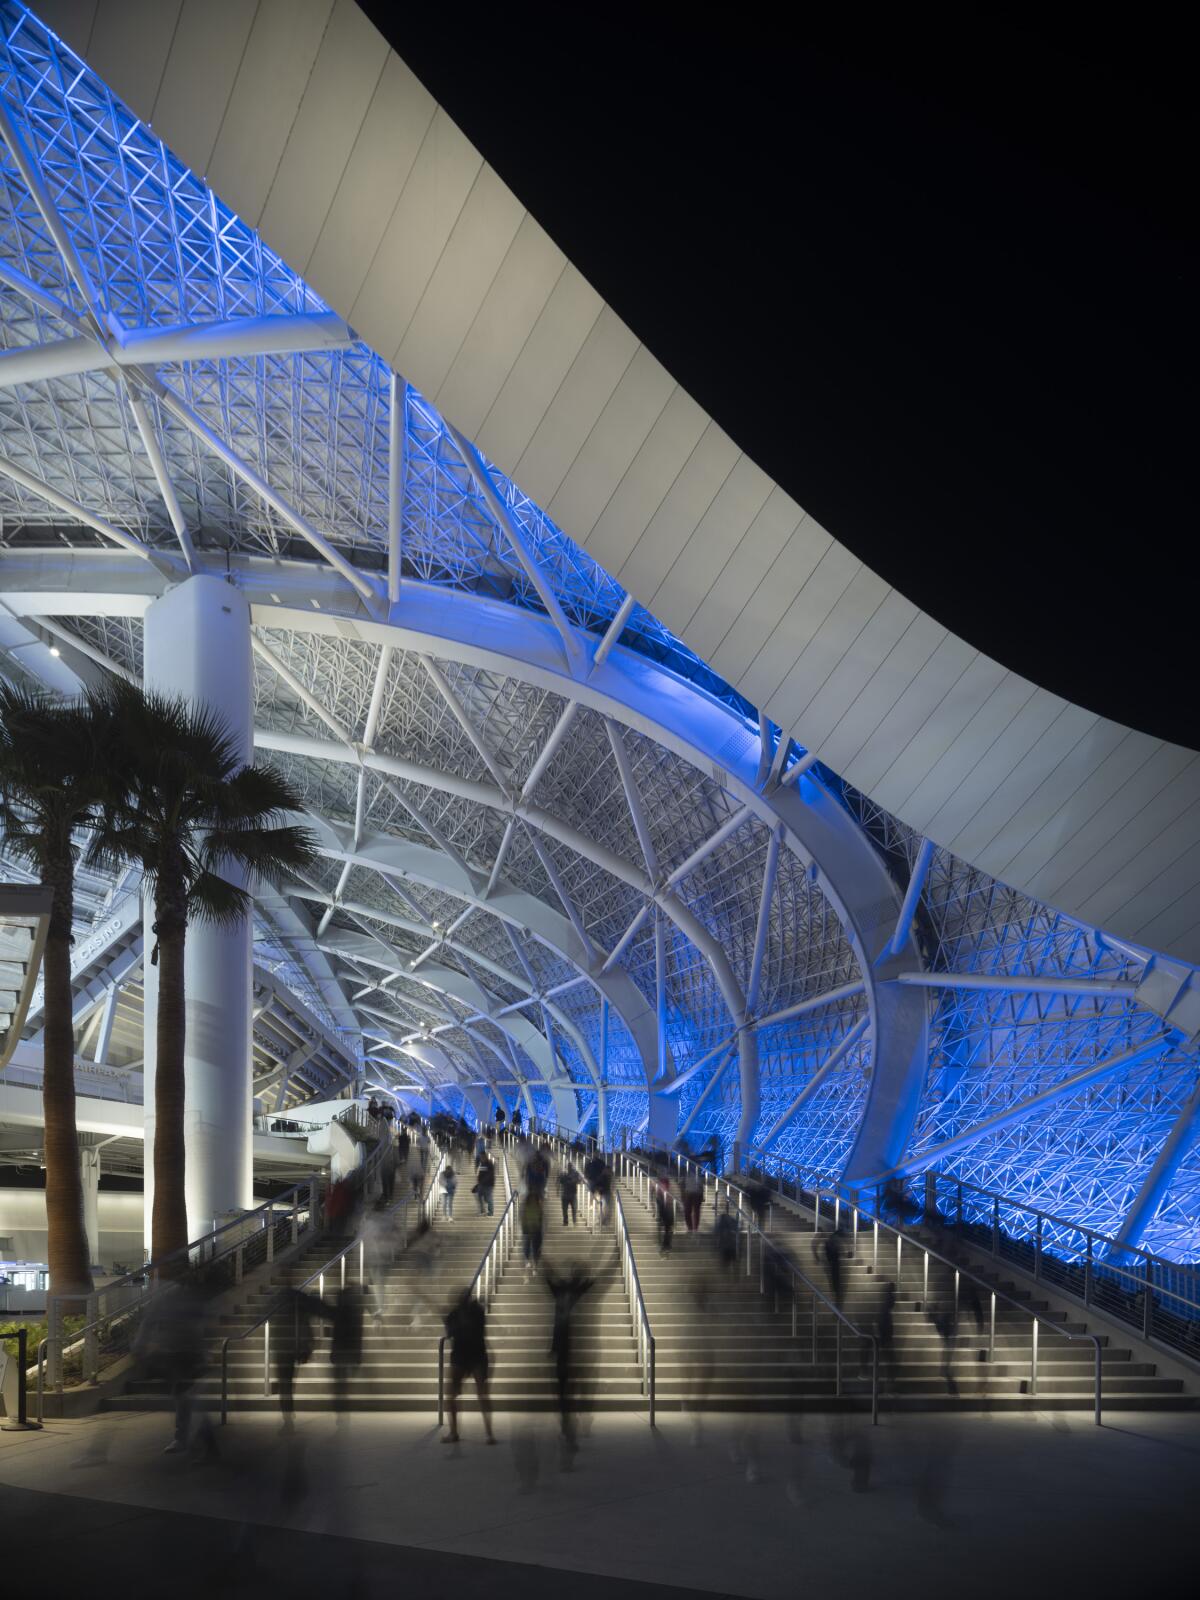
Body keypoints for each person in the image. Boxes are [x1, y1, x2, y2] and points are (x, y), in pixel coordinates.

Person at [543, 1262, 595, 1448]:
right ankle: (569, 1429)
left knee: (565, 1394)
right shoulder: (574, 1290)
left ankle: (568, 1430)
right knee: (566, 1393)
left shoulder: (565, 1291)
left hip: (567, 1349)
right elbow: (549, 1279)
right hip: (568, 1349)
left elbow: (549, 1279)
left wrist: (544, 1262)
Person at [442, 1288, 496, 1445]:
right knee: (451, 1396)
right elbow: (451, 1332)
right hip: (460, 1356)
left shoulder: (476, 1311)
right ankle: (454, 1432)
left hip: (476, 1355)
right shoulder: (454, 1314)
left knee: (482, 1394)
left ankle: (489, 1433)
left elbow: (476, 1329)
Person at [521, 1187, 545, 1278]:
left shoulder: (526, 1206)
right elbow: (542, 1221)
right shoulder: (539, 1207)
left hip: (527, 1230)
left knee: (527, 1246)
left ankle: (527, 1261)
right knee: (536, 1249)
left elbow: (523, 1218)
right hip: (536, 1230)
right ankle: (534, 1268)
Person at [654, 1173, 675, 1254]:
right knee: (667, 1228)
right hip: (666, 1210)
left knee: (668, 1228)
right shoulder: (661, 1187)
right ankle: (665, 1245)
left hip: (668, 1209)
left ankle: (665, 1244)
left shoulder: (664, 1186)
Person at [681, 1164, 705, 1233]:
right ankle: (690, 1228)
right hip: (689, 1194)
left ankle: (694, 1228)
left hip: (696, 1194)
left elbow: (701, 1186)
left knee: (696, 1212)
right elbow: (682, 1186)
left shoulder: (698, 1176)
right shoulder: (686, 1176)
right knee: (687, 1211)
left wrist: (702, 1195)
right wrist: (682, 1195)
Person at [558, 1162, 580, 1227]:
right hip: (565, 1193)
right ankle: (566, 1222)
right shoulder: (564, 1173)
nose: (570, 1167)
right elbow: (561, 1181)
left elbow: (577, 1180)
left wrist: (569, 1180)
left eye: (571, 1166)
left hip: (572, 1194)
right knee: (564, 1209)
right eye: (569, 1166)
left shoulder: (576, 1173)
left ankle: (574, 1221)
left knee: (574, 1208)